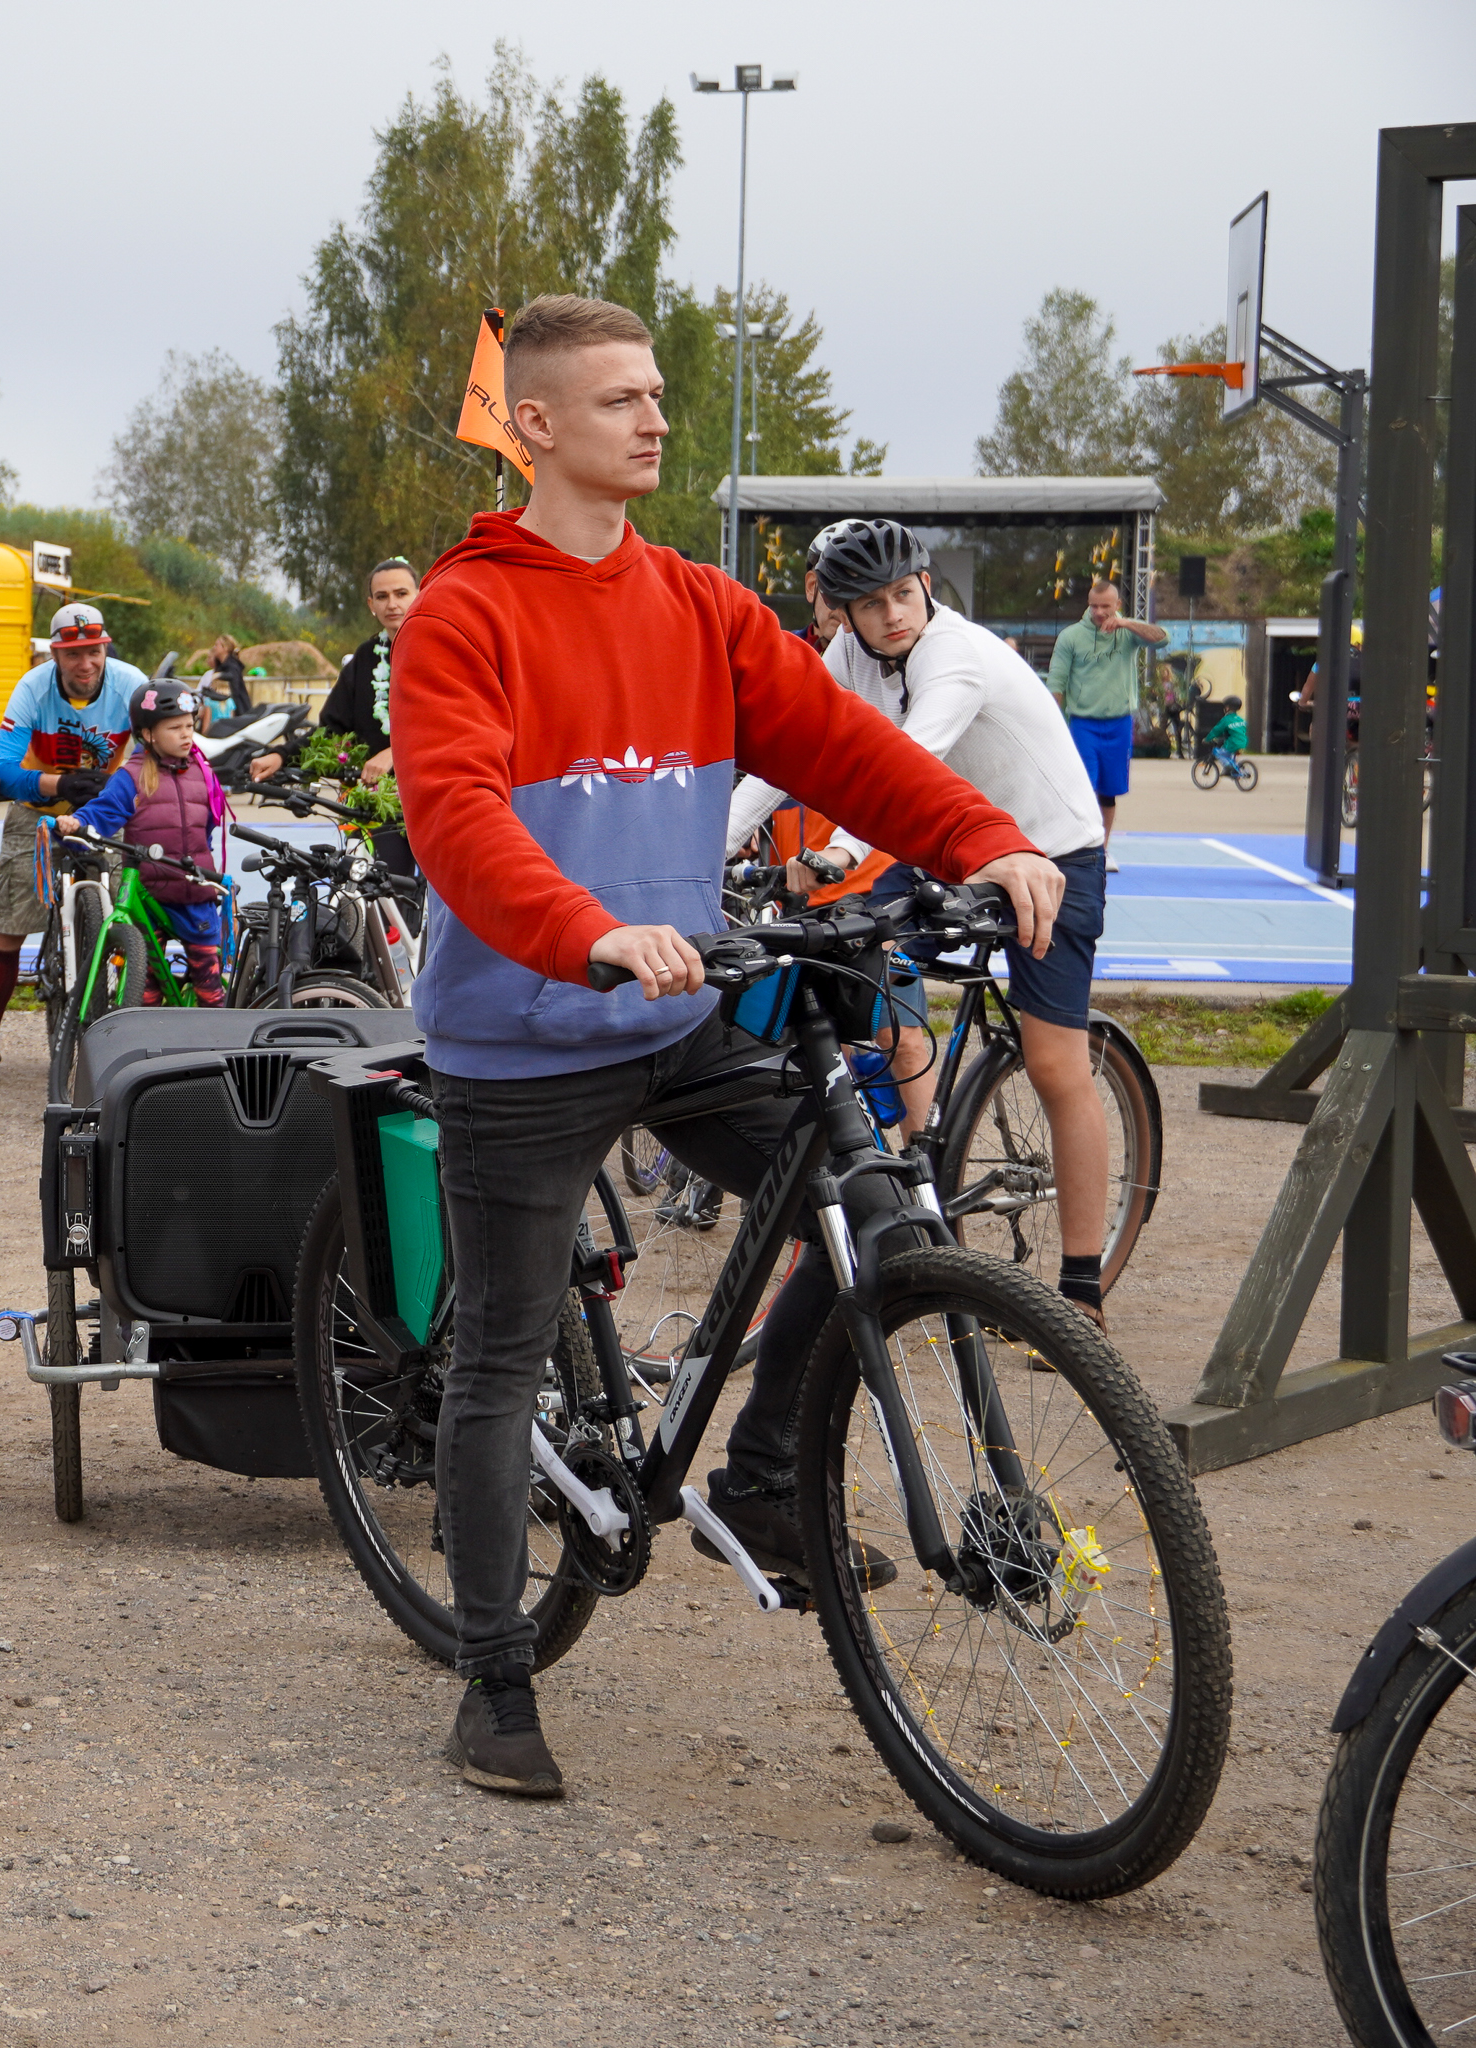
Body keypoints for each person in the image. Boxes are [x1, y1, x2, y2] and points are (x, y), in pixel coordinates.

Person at [386, 294, 1058, 1801]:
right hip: (525, 1041)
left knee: (869, 1210)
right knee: (499, 1354)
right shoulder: (462, 612)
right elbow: (457, 818)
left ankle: (756, 1486)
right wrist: (586, 930)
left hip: (678, 1025)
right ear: (537, 425)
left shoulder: (695, 605)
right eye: (621, 398)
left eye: (658, 396)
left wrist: (982, 839)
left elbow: (846, 750)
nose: (655, 419)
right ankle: (493, 1675)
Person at [723, 519, 1114, 1323]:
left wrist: (836, 850)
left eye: (905, 594)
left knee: (1054, 1064)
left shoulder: (956, 656)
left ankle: (1082, 1290)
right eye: (871, 604)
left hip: (1051, 853)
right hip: (949, 842)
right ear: (842, 612)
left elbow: (905, 766)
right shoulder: (848, 657)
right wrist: (711, 844)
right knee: (842, 965)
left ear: (927, 586)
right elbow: (787, 750)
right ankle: (906, 1168)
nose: (894, 615)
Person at [0, 602, 141, 1083]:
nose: (85, 664)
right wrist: (56, 785)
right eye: (73, 655)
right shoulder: (32, 688)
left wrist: (116, 788)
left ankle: (122, 1028)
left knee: (127, 916)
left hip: (104, 811)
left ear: (105, 648)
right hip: (38, 812)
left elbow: (154, 756)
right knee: (10, 925)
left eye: (94, 652)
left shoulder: (130, 684)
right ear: (55, 655)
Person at [256, 555, 423, 903]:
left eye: (401, 593)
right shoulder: (366, 659)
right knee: (385, 895)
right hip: (384, 804)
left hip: (440, 796)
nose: (392, 603)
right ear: (370, 605)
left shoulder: (445, 647)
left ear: (420, 594)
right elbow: (332, 732)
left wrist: (396, 752)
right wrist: (280, 755)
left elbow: (458, 723)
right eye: (382, 596)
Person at [62, 679, 230, 1004]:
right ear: (148, 734)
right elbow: (102, 813)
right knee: (145, 992)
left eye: (189, 725)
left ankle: (214, 1046)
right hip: (150, 897)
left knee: (210, 990)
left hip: (195, 894)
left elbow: (206, 828)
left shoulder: (204, 773)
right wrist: (78, 823)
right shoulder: (132, 776)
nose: (186, 734)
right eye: (174, 728)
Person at [1045, 579, 1166, 866]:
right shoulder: (1071, 636)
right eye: (1094, 606)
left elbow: (1161, 638)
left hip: (1119, 723)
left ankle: (1103, 849)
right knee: (1082, 788)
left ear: (1117, 606)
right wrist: (1052, 724)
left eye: (1105, 607)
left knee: (1109, 792)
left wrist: (1125, 624)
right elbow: (1056, 682)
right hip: (1083, 723)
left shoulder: (1128, 633)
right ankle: (1076, 848)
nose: (1099, 612)